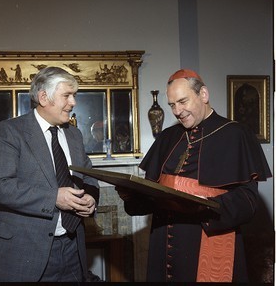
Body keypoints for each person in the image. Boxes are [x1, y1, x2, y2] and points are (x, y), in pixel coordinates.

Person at [116, 69, 272, 283]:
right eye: (172, 105)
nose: (177, 111)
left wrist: (204, 205)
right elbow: (153, 196)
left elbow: (248, 200)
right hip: (164, 243)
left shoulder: (236, 133)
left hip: (207, 237)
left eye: (183, 101)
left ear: (204, 95)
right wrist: (133, 196)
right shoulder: (167, 137)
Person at [0, 66, 100, 282]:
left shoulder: (74, 134)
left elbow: (89, 174)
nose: (73, 102)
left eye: (74, 96)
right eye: (67, 95)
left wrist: (92, 197)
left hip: (72, 249)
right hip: (22, 252)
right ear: (44, 97)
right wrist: (54, 198)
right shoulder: (9, 131)